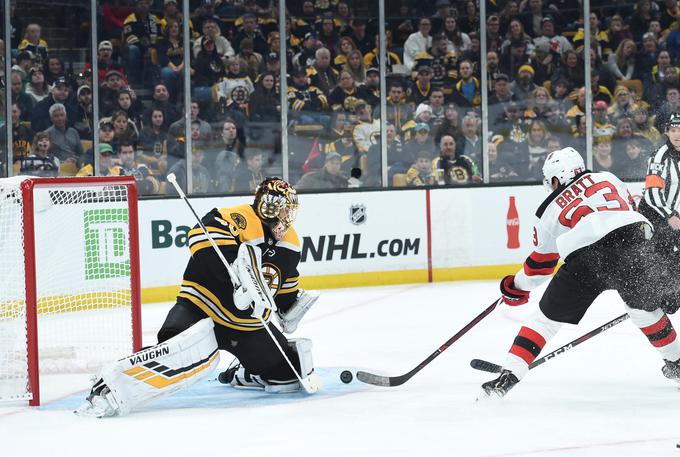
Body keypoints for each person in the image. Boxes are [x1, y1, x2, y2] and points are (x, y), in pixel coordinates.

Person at [76, 178, 320, 417]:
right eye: (283, 209)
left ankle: (245, 375)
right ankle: (110, 384)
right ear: (268, 205)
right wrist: (234, 269)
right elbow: (199, 237)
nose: (287, 217)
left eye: (291, 211)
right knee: (173, 355)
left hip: (247, 326)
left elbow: (283, 290)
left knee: (289, 373)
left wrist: (291, 307)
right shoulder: (241, 217)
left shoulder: (291, 243)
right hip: (201, 309)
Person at [481, 147, 680, 398]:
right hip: (632, 249)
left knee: (544, 322)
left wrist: (515, 286)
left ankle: (507, 376)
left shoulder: (549, 209)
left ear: (555, 179)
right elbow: (632, 215)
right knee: (645, 310)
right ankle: (677, 364)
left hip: (586, 259)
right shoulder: (608, 178)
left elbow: (540, 267)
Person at [638, 113, 680, 261]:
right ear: (666, 132)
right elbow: (652, 193)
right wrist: (670, 216)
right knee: (659, 257)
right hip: (656, 214)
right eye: (673, 130)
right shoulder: (659, 156)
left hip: (674, 214)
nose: (677, 134)